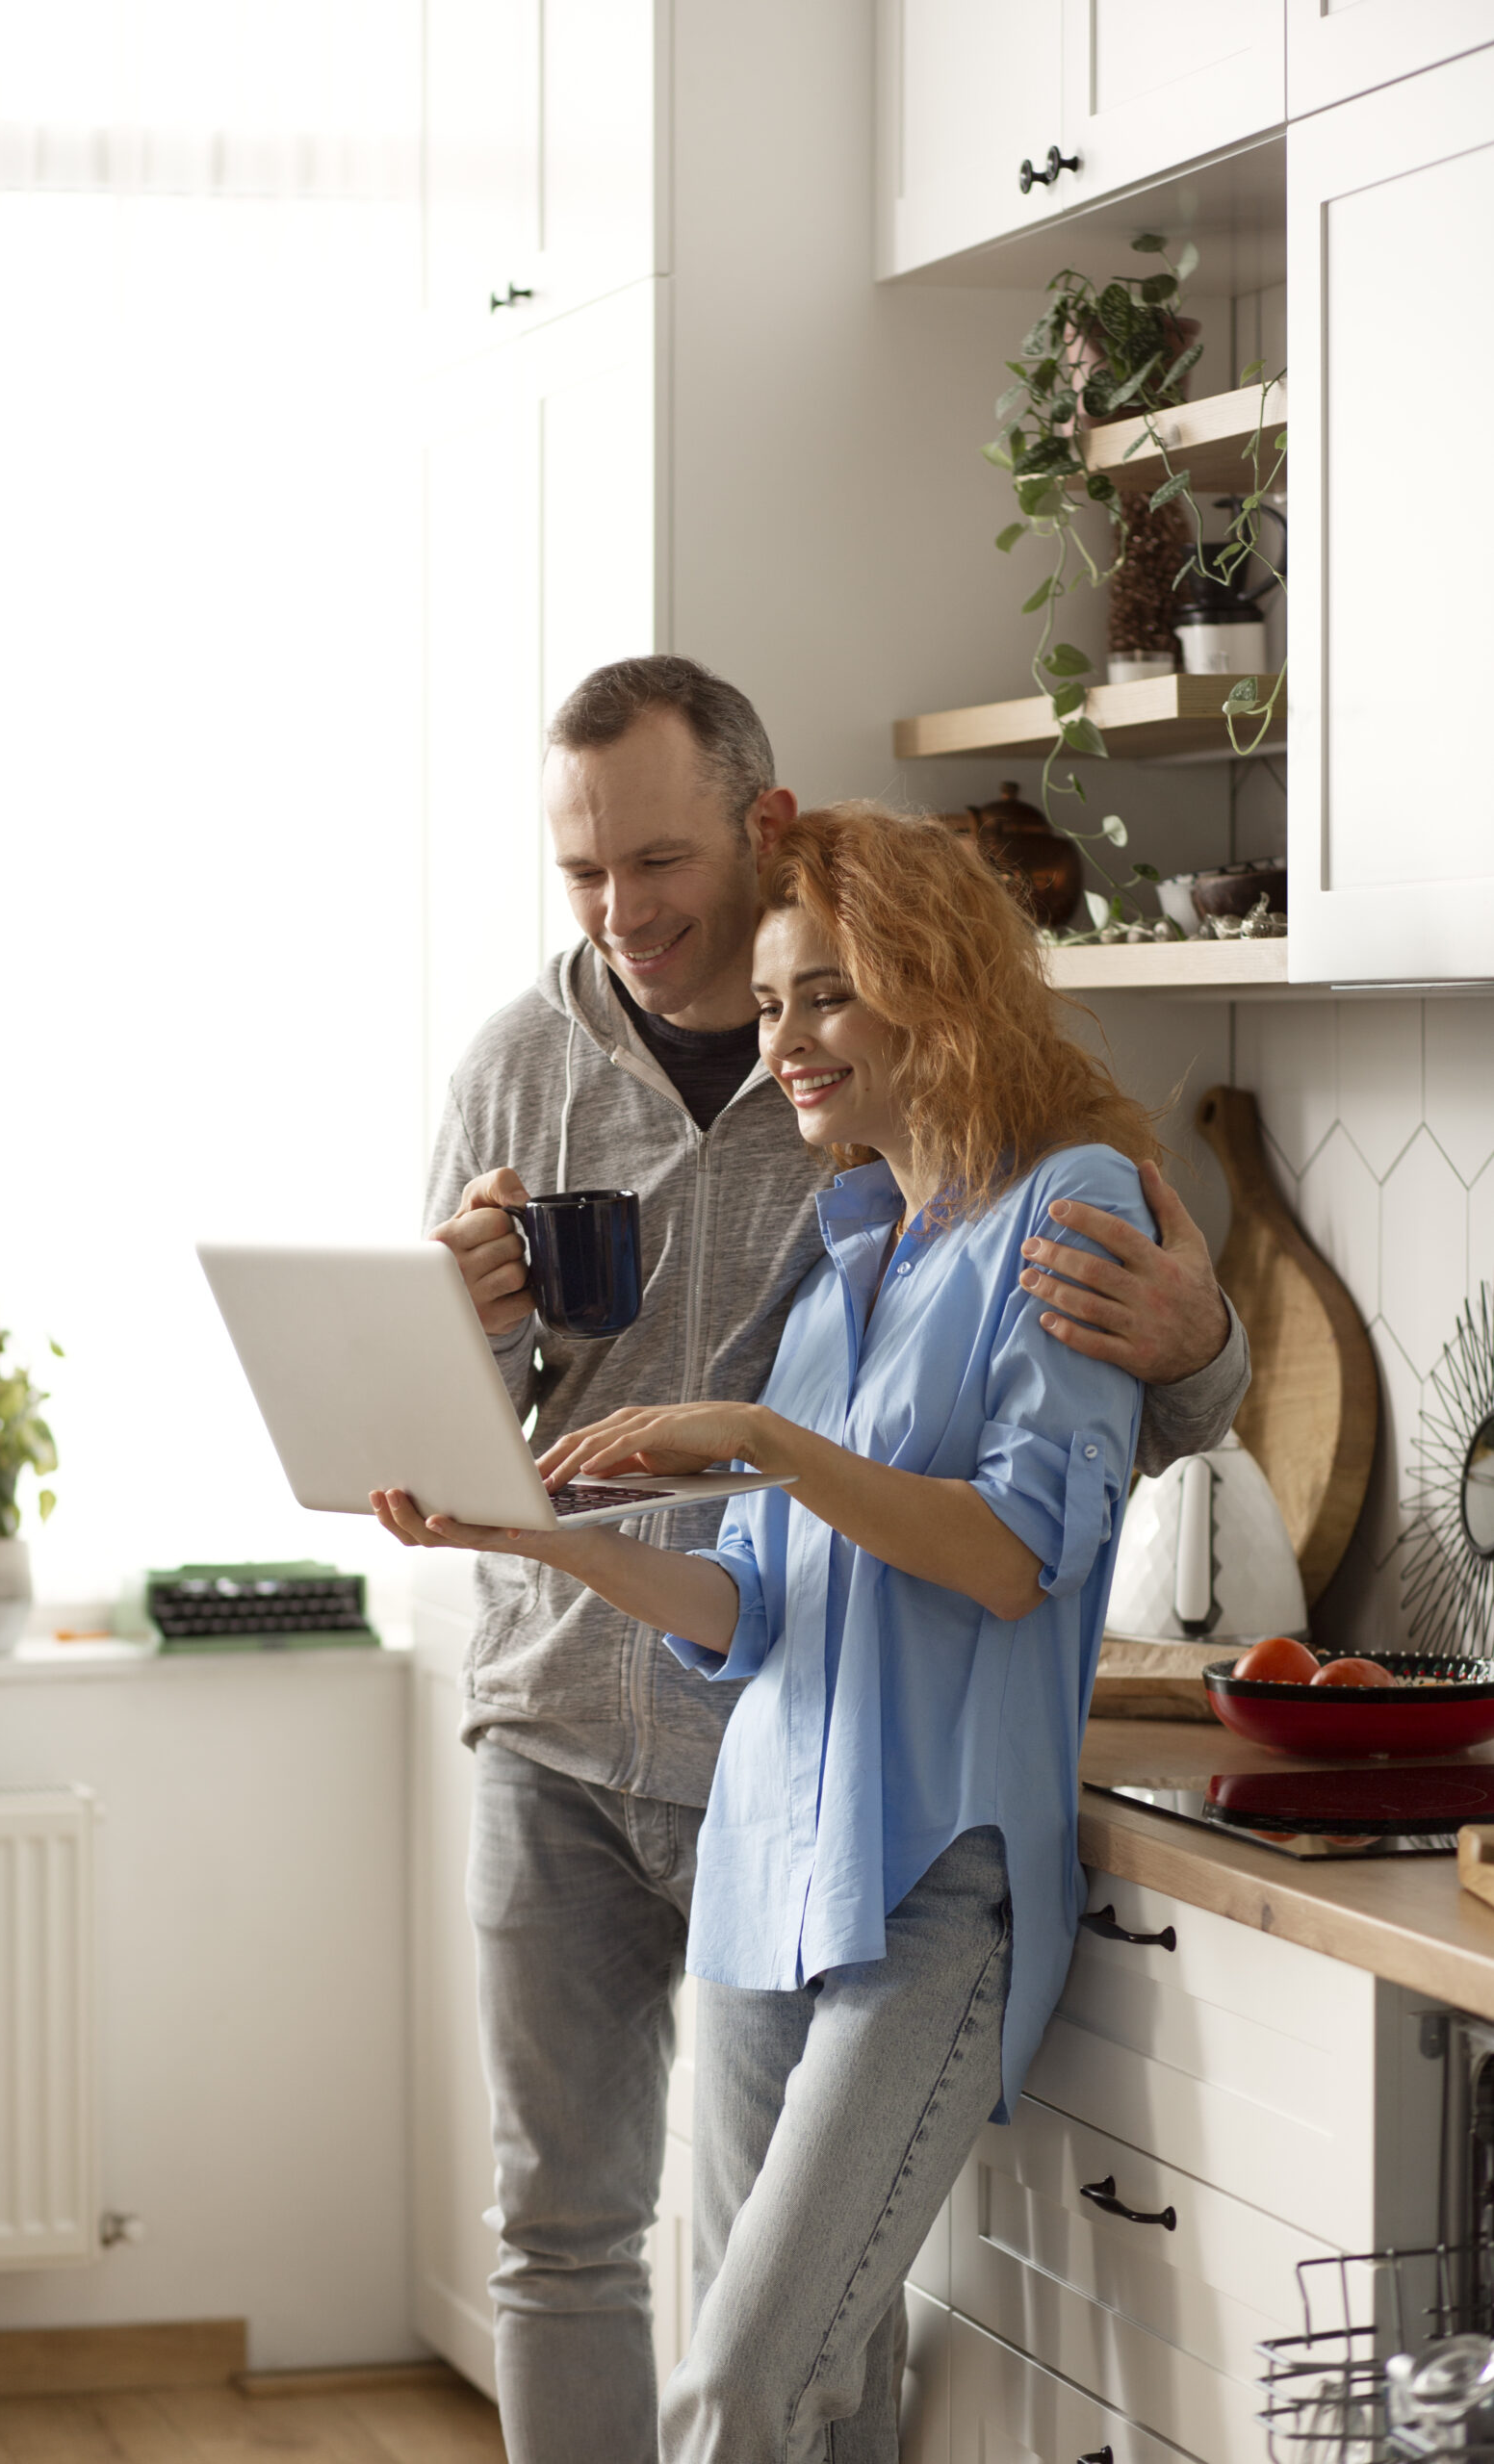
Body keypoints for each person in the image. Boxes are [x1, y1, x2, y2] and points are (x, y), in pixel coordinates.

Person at [420, 658, 1249, 2464]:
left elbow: (1054, 1512)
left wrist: (1200, 1344)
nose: (623, 912)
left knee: (752, 2378)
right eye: (583, 877)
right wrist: (505, 1502)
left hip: (893, 1861)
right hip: (668, 1795)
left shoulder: (1055, 1196)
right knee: (652, 2299)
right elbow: (749, 1593)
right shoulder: (841, 1236)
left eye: (657, 861)